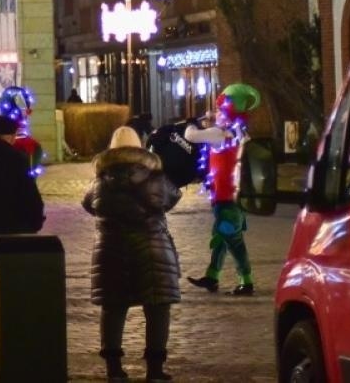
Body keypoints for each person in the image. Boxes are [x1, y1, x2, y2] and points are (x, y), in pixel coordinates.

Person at [83, 125, 181, 382]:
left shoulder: (100, 181)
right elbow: (172, 197)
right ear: (140, 147)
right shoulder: (156, 177)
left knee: (113, 308)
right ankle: (155, 371)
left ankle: (114, 369)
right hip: (152, 250)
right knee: (157, 308)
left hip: (111, 251)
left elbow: (87, 204)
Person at [185, 87, 258, 295]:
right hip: (233, 196)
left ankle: (246, 281)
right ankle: (212, 277)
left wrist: (191, 122)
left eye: (219, 110)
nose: (215, 113)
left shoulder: (218, 134)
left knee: (233, 242)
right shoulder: (240, 133)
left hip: (225, 199)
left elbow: (191, 136)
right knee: (221, 239)